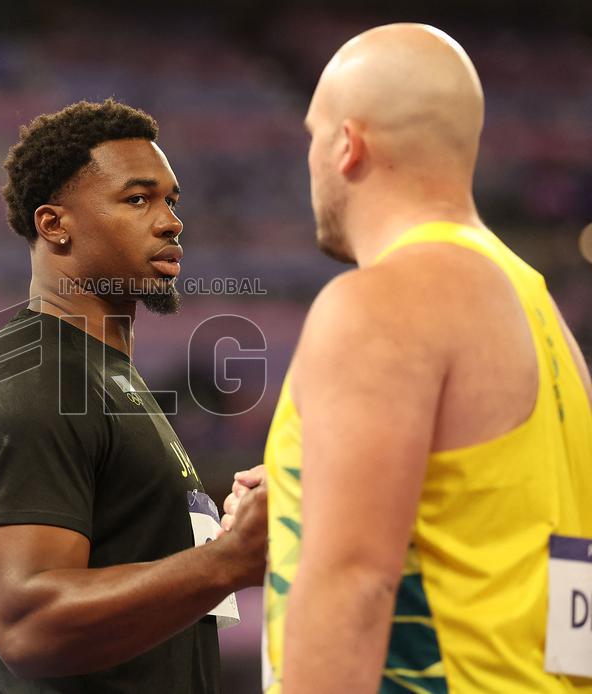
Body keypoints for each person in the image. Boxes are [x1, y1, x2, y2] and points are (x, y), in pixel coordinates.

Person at [220, 23, 592, 694]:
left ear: (346, 145)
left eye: (312, 135)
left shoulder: (382, 304)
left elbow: (354, 587)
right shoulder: (539, 309)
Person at [0, 99, 268, 693]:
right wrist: (233, 560)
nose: (170, 222)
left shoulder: (99, 376)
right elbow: (28, 624)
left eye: (171, 200)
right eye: (138, 199)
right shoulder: (35, 381)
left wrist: (227, 536)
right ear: (54, 224)